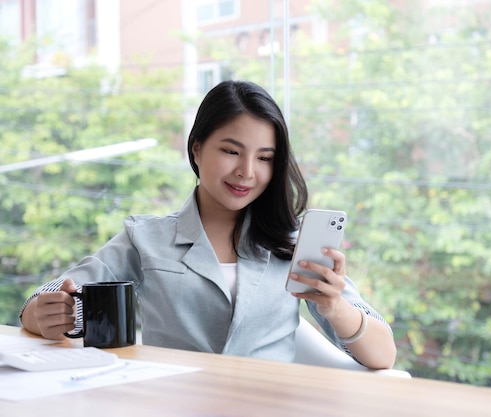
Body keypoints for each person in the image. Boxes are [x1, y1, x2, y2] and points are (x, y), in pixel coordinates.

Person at [19, 80, 397, 370]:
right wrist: (47, 313)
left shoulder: (294, 242)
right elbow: (43, 299)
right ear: (197, 148)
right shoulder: (146, 237)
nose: (247, 172)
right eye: (231, 151)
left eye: (264, 157)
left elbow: (384, 356)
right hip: (174, 403)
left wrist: (335, 308)